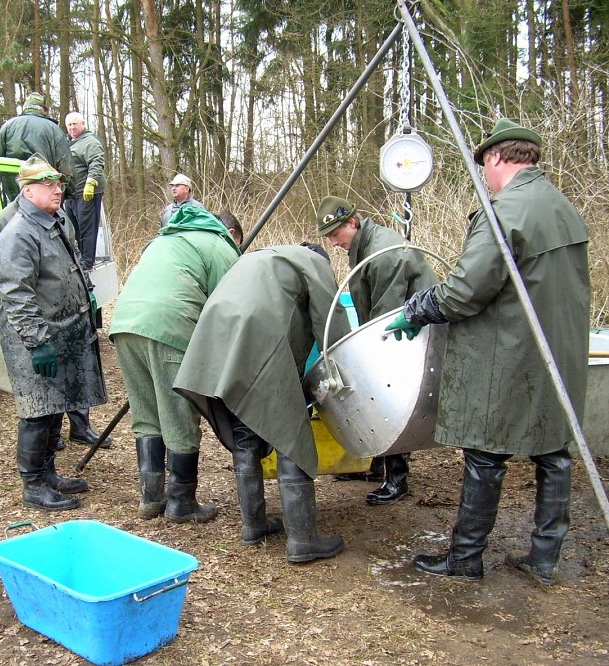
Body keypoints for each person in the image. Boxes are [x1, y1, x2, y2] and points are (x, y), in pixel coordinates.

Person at [384, 119, 590, 584]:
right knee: (553, 450)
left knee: (484, 453)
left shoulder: (505, 211)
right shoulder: (561, 206)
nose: (485, 178)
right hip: (558, 351)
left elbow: (464, 293)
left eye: (484, 168)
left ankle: (464, 559)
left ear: (496, 158)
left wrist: (416, 309)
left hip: (508, 350)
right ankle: (545, 557)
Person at [174, 244, 351, 563]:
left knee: (245, 426)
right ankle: (303, 539)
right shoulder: (316, 263)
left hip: (218, 331)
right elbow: (332, 324)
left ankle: (253, 524)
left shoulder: (265, 257)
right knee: (290, 434)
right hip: (259, 332)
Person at [0, 156, 106, 510]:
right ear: (28, 190)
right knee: (37, 409)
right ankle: (33, 484)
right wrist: (37, 343)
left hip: (63, 330)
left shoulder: (54, 220)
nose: (58, 190)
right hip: (35, 336)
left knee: (58, 404)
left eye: (59, 185)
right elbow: (15, 293)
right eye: (50, 185)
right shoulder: (18, 233)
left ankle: (49, 473)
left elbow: (72, 266)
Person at [109, 206, 241, 524]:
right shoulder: (221, 245)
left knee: (147, 413)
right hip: (168, 328)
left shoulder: (165, 239)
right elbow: (232, 307)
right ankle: (181, 502)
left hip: (125, 325)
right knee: (178, 414)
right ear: (233, 234)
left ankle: (151, 497)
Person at [318, 196, 439, 505]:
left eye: (335, 234)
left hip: (413, 329)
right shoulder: (363, 245)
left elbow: (386, 317)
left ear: (352, 223)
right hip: (405, 323)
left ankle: (397, 479)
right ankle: (377, 464)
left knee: (391, 396)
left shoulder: (383, 253)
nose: (333, 243)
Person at [0, 91, 75, 200]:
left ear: (25, 108)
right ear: (43, 109)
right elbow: (65, 165)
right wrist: (68, 191)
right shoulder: (53, 129)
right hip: (46, 190)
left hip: (16, 191)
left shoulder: (7, 127)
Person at [64, 111, 106, 269]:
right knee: (73, 228)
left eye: (75, 123)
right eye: (69, 124)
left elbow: (96, 161)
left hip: (86, 191)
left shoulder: (90, 142)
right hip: (72, 194)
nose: (72, 127)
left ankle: (87, 262)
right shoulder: (68, 143)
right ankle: (77, 258)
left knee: (86, 228)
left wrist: (91, 182)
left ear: (83, 124)